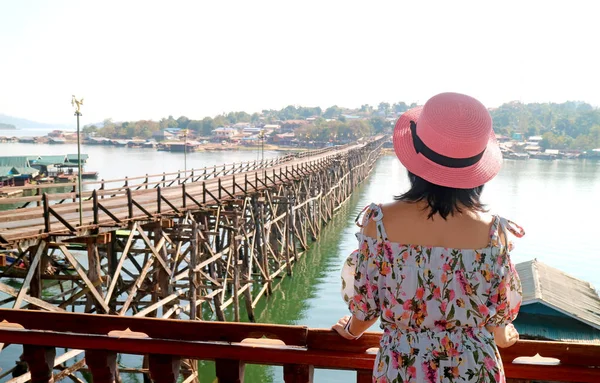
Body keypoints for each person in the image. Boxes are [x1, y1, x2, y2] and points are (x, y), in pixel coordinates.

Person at [332, 92, 524, 383]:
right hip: (475, 369)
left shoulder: (379, 223)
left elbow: (367, 308)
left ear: (414, 162)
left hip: (403, 368)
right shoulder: (493, 232)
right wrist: (506, 336)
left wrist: (351, 331)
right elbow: (499, 325)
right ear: (476, 172)